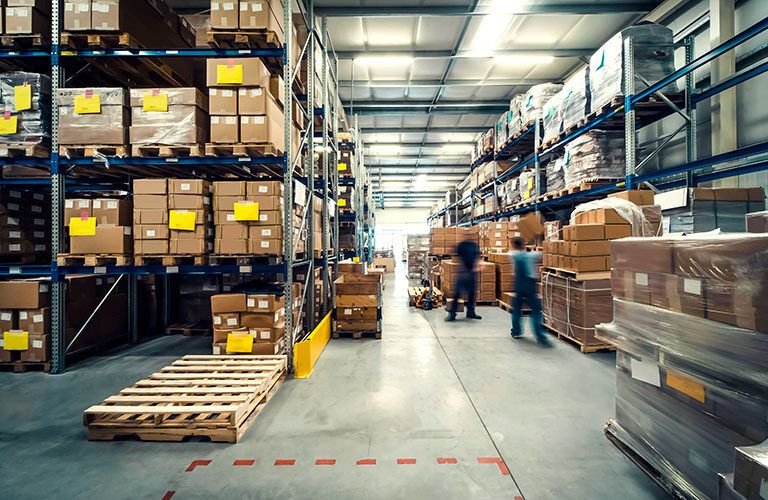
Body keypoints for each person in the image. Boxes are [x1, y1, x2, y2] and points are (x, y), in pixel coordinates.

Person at [510, 237, 551, 346]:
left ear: (513, 246)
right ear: (523, 245)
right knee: (536, 309)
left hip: (518, 285)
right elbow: (542, 253)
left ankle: (516, 331)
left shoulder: (512, 255)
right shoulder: (531, 256)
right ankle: (539, 335)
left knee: (516, 309)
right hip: (529, 285)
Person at [445, 232, 482, 322]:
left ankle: (471, 313)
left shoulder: (475, 245)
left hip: (472, 273)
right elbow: (456, 257)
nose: (468, 236)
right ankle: (452, 314)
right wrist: (462, 269)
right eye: (467, 234)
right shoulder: (461, 245)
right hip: (462, 273)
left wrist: (476, 267)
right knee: (457, 294)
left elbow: (478, 257)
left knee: (472, 294)